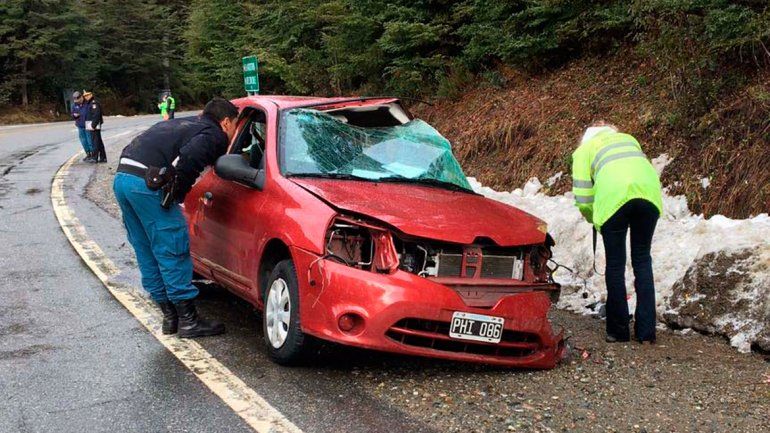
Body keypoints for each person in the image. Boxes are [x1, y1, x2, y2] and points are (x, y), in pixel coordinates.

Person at [112, 97, 238, 338]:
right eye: (234, 126)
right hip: (146, 184)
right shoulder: (214, 134)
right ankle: (189, 321)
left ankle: (170, 317)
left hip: (123, 179)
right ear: (225, 122)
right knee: (172, 245)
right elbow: (189, 158)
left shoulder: (184, 124)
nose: (232, 134)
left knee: (146, 248)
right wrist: (176, 194)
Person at [571, 121, 663, 344]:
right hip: (649, 197)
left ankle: (618, 330)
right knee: (642, 259)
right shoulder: (628, 139)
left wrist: (594, 218)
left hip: (614, 201)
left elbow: (583, 197)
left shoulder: (584, 151)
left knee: (615, 264)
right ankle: (646, 332)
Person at [70, 91, 95, 162]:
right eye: (75, 100)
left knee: (89, 140)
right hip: (80, 125)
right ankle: (88, 154)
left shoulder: (87, 103)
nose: (77, 102)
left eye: (78, 100)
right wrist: (74, 116)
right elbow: (72, 114)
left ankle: (93, 155)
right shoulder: (74, 105)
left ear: (81, 97)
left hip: (88, 124)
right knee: (83, 140)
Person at [83, 91, 106, 163]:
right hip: (92, 124)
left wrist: (93, 125)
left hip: (94, 125)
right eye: (85, 96)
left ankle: (94, 157)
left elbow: (96, 114)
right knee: (98, 141)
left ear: (91, 95)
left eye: (88, 95)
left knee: (95, 141)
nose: (86, 97)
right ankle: (103, 157)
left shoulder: (93, 103)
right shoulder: (89, 103)